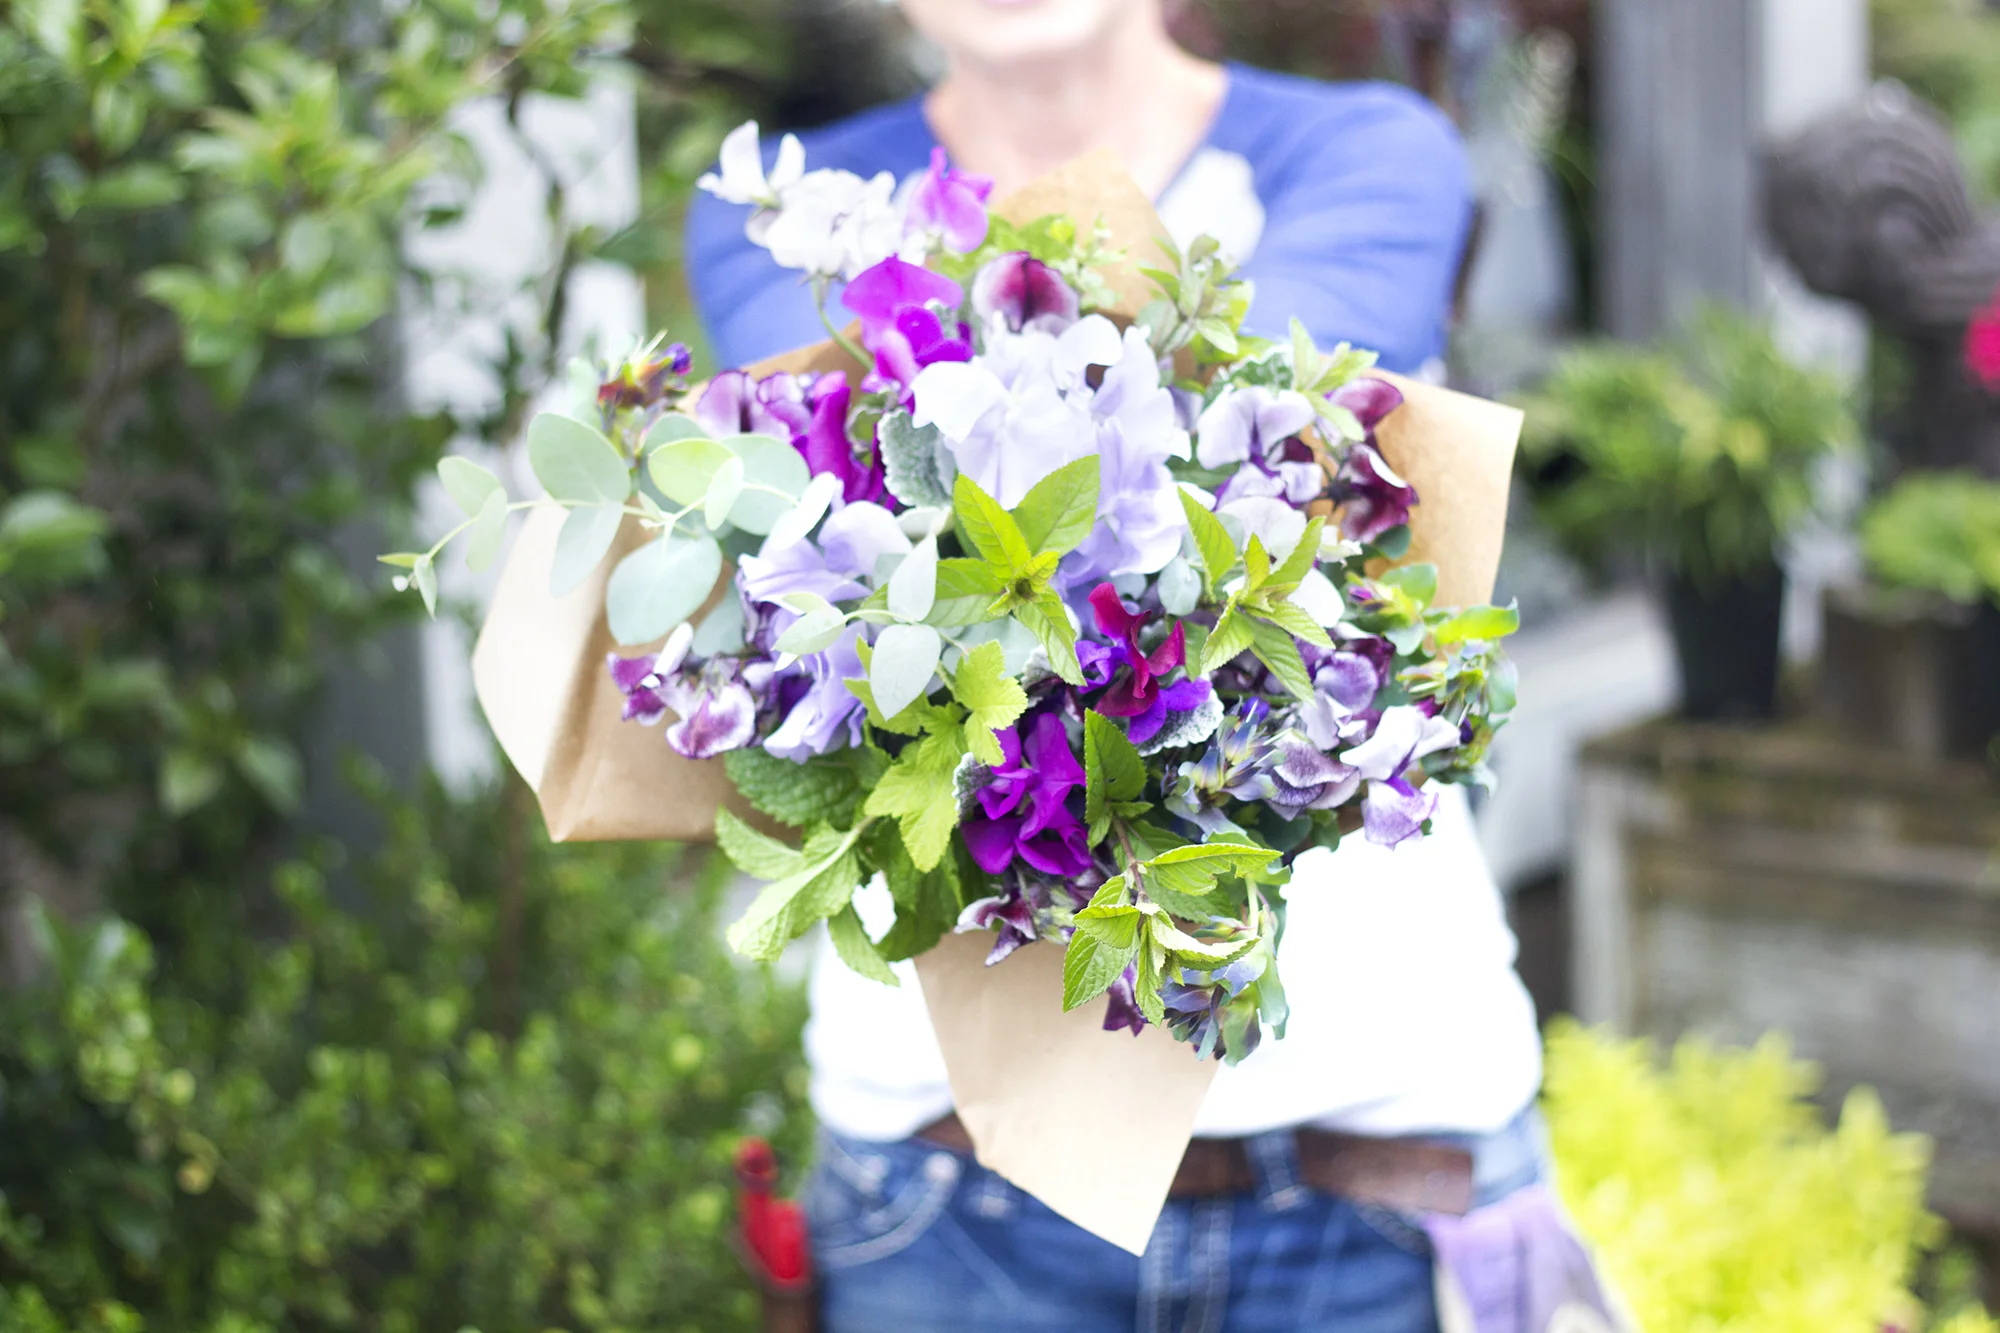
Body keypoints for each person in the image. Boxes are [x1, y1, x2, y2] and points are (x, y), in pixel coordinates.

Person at [685, 2, 1551, 1329]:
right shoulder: (780, 209)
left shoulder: (1370, 151)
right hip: (947, 1192)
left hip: (1375, 1171)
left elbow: (1235, 419)